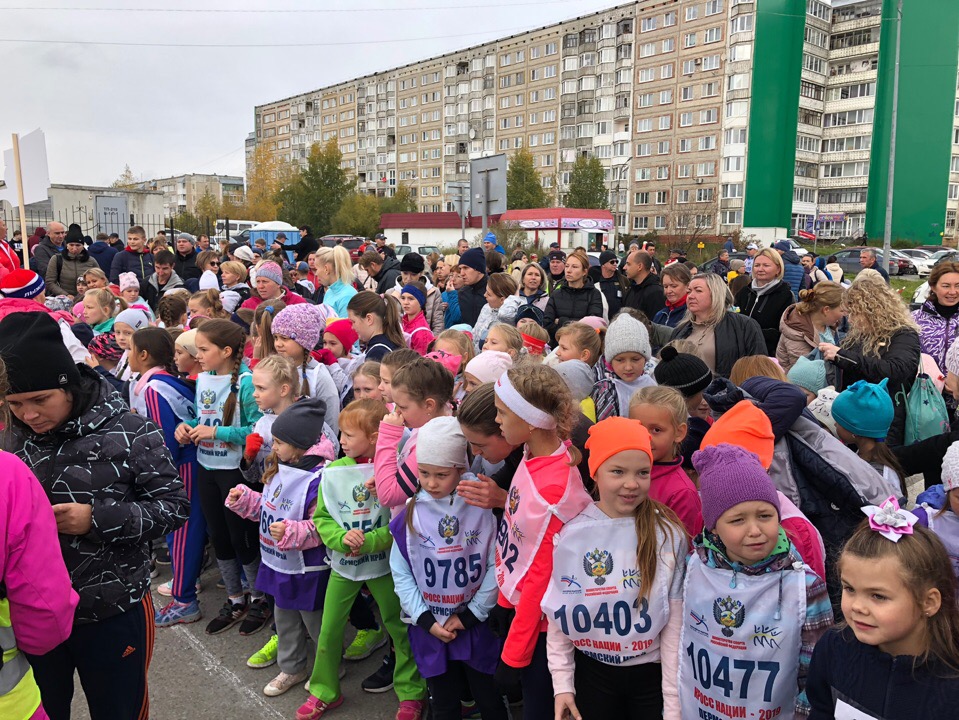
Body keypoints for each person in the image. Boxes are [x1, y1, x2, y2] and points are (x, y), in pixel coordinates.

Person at [0, 312, 189, 720]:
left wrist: (96, 519)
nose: (28, 415)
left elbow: (174, 507)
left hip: (111, 610)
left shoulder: (130, 430)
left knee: (119, 711)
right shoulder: (8, 440)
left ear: (68, 385)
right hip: (30, 618)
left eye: (40, 400)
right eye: (14, 404)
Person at [543, 417, 685, 720]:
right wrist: (562, 684)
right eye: (618, 471)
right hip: (593, 673)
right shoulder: (573, 533)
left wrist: (672, 706)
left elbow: (674, 626)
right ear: (596, 473)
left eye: (642, 472)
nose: (631, 483)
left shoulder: (668, 534)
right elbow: (560, 613)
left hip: (651, 675)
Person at [681, 444, 833, 719]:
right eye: (737, 520)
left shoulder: (805, 585)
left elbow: (815, 671)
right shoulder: (694, 568)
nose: (755, 531)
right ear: (713, 526)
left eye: (765, 515)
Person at [300, 399, 428, 720]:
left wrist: (372, 540)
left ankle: (411, 692)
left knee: (399, 629)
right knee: (329, 631)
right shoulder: (333, 472)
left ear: (374, 437)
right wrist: (340, 538)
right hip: (344, 568)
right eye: (341, 434)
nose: (340, 441)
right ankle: (323, 690)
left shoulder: (391, 471)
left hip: (384, 566)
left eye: (348, 435)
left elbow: (401, 520)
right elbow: (323, 518)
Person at [489, 365, 592, 718]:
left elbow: (539, 577)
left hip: (542, 630)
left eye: (502, 412)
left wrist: (513, 656)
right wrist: (504, 601)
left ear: (531, 420)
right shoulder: (535, 454)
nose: (497, 420)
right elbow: (516, 539)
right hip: (524, 616)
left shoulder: (552, 489)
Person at [388, 416, 507, 720]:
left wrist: (472, 614)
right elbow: (401, 574)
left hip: (474, 624)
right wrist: (425, 619)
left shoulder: (482, 509)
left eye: (441, 474)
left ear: (460, 468)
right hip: (431, 627)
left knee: (489, 698)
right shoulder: (410, 514)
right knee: (443, 703)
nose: (430, 482)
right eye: (424, 473)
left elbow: (497, 564)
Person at [806, 504, 959, 718]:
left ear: (929, 602)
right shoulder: (833, 649)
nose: (857, 606)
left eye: (878, 596)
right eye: (849, 588)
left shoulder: (951, 682)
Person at [226, 398, 335, 697]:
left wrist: (292, 531)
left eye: (278, 442)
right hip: (278, 562)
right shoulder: (279, 465)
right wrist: (246, 500)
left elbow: (324, 527)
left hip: (307, 568)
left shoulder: (321, 478)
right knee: (284, 619)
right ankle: (292, 667)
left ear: (299, 445)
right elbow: (270, 506)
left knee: (317, 623)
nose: (273, 448)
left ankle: (329, 668)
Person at [173, 319, 271, 637]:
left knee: (241, 536)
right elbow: (203, 416)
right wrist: (187, 426)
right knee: (220, 536)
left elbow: (258, 429)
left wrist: (217, 431)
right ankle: (234, 597)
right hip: (207, 468)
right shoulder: (204, 379)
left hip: (234, 471)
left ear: (226, 351)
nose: (197, 355)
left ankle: (259, 598)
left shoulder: (244, 381)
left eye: (204, 349)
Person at [126, 328, 208, 629]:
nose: (128, 355)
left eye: (131, 348)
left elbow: (164, 439)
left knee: (181, 532)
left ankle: (185, 600)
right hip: (193, 463)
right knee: (192, 529)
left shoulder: (154, 388)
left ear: (144, 355)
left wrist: (159, 478)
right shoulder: (164, 380)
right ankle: (192, 585)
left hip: (181, 467)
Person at [818, 275, 920, 446]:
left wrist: (842, 356)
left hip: (883, 422)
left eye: (855, 313)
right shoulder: (861, 334)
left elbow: (895, 371)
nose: (850, 320)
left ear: (873, 311)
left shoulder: (904, 335)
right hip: (855, 417)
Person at [629, 385, 704, 537]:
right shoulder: (623, 471)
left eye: (656, 430)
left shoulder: (682, 492)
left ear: (679, 432)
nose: (646, 437)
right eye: (639, 428)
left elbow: (685, 548)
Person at [672, 272, 766, 377]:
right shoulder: (680, 330)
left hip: (730, 391)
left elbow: (759, 367)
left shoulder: (744, 325)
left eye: (698, 291)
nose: (690, 296)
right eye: (689, 291)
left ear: (716, 293)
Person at [270, 304, 341, 435]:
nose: (278, 344)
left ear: (305, 341)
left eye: (285, 338)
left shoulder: (318, 376)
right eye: (276, 337)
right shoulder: (273, 369)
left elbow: (331, 426)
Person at [832, 379, 907, 495]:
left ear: (855, 430)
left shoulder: (876, 477)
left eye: (839, 422)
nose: (835, 424)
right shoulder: (867, 455)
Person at [592, 312, 656, 420]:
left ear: (646, 358)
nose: (628, 367)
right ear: (610, 360)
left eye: (635, 359)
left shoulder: (650, 380)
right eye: (620, 360)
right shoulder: (605, 389)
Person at [734, 248, 794, 356]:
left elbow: (785, 332)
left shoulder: (786, 296)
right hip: (739, 354)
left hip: (768, 356)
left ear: (778, 269)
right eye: (757, 265)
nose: (760, 269)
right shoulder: (744, 292)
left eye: (766, 265)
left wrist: (753, 333)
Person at [544, 250, 603, 340]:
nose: (569, 270)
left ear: (584, 271)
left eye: (574, 267)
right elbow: (547, 323)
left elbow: (592, 326)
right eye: (567, 266)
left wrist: (561, 321)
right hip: (558, 344)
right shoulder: (557, 294)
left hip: (583, 344)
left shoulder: (594, 294)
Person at [913, 262, 959, 377]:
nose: (953, 292)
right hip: (926, 390)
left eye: (958, 285)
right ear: (933, 287)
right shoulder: (915, 320)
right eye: (946, 286)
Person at [388, 252, 446, 335]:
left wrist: (428, 343)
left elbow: (438, 325)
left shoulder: (433, 292)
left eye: (413, 274)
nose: (408, 278)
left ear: (421, 273)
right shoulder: (391, 293)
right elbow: (388, 326)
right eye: (405, 273)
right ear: (400, 272)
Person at [347, 291, 407, 362]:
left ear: (369, 319)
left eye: (353, 322)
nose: (352, 327)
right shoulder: (389, 341)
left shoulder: (377, 353)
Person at [239, 261, 308, 311]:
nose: (260, 286)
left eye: (265, 282)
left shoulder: (297, 303)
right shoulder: (248, 305)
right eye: (258, 281)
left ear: (278, 284)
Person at [313, 246, 357, 318]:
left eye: (316, 269)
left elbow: (346, 327)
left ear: (326, 269)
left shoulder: (348, 296)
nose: (316, 273)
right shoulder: (329, 291)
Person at [622, 250, 666, 320]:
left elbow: (655, 325)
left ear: (639, 266)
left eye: (628, 264)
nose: (624, 267)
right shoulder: (631, 289)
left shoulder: (656, 293)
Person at [589, 250, 629, 316]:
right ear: (603, 265)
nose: (615, 264)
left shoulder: (623, 280)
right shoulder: (594, 280)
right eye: (612, 262)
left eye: (616, 261)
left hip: (618, 319)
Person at [652, 262, 691, 329]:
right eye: (665, 286)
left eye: (674, 286)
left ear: (687, 286)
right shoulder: (660, 315)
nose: (668, 291)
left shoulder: (693, 315)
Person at [457, 247, 489, 327]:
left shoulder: (494, 290)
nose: (462, 273)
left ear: (478, 269)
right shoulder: (462, 293)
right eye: (460, 269)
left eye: (466, 268)